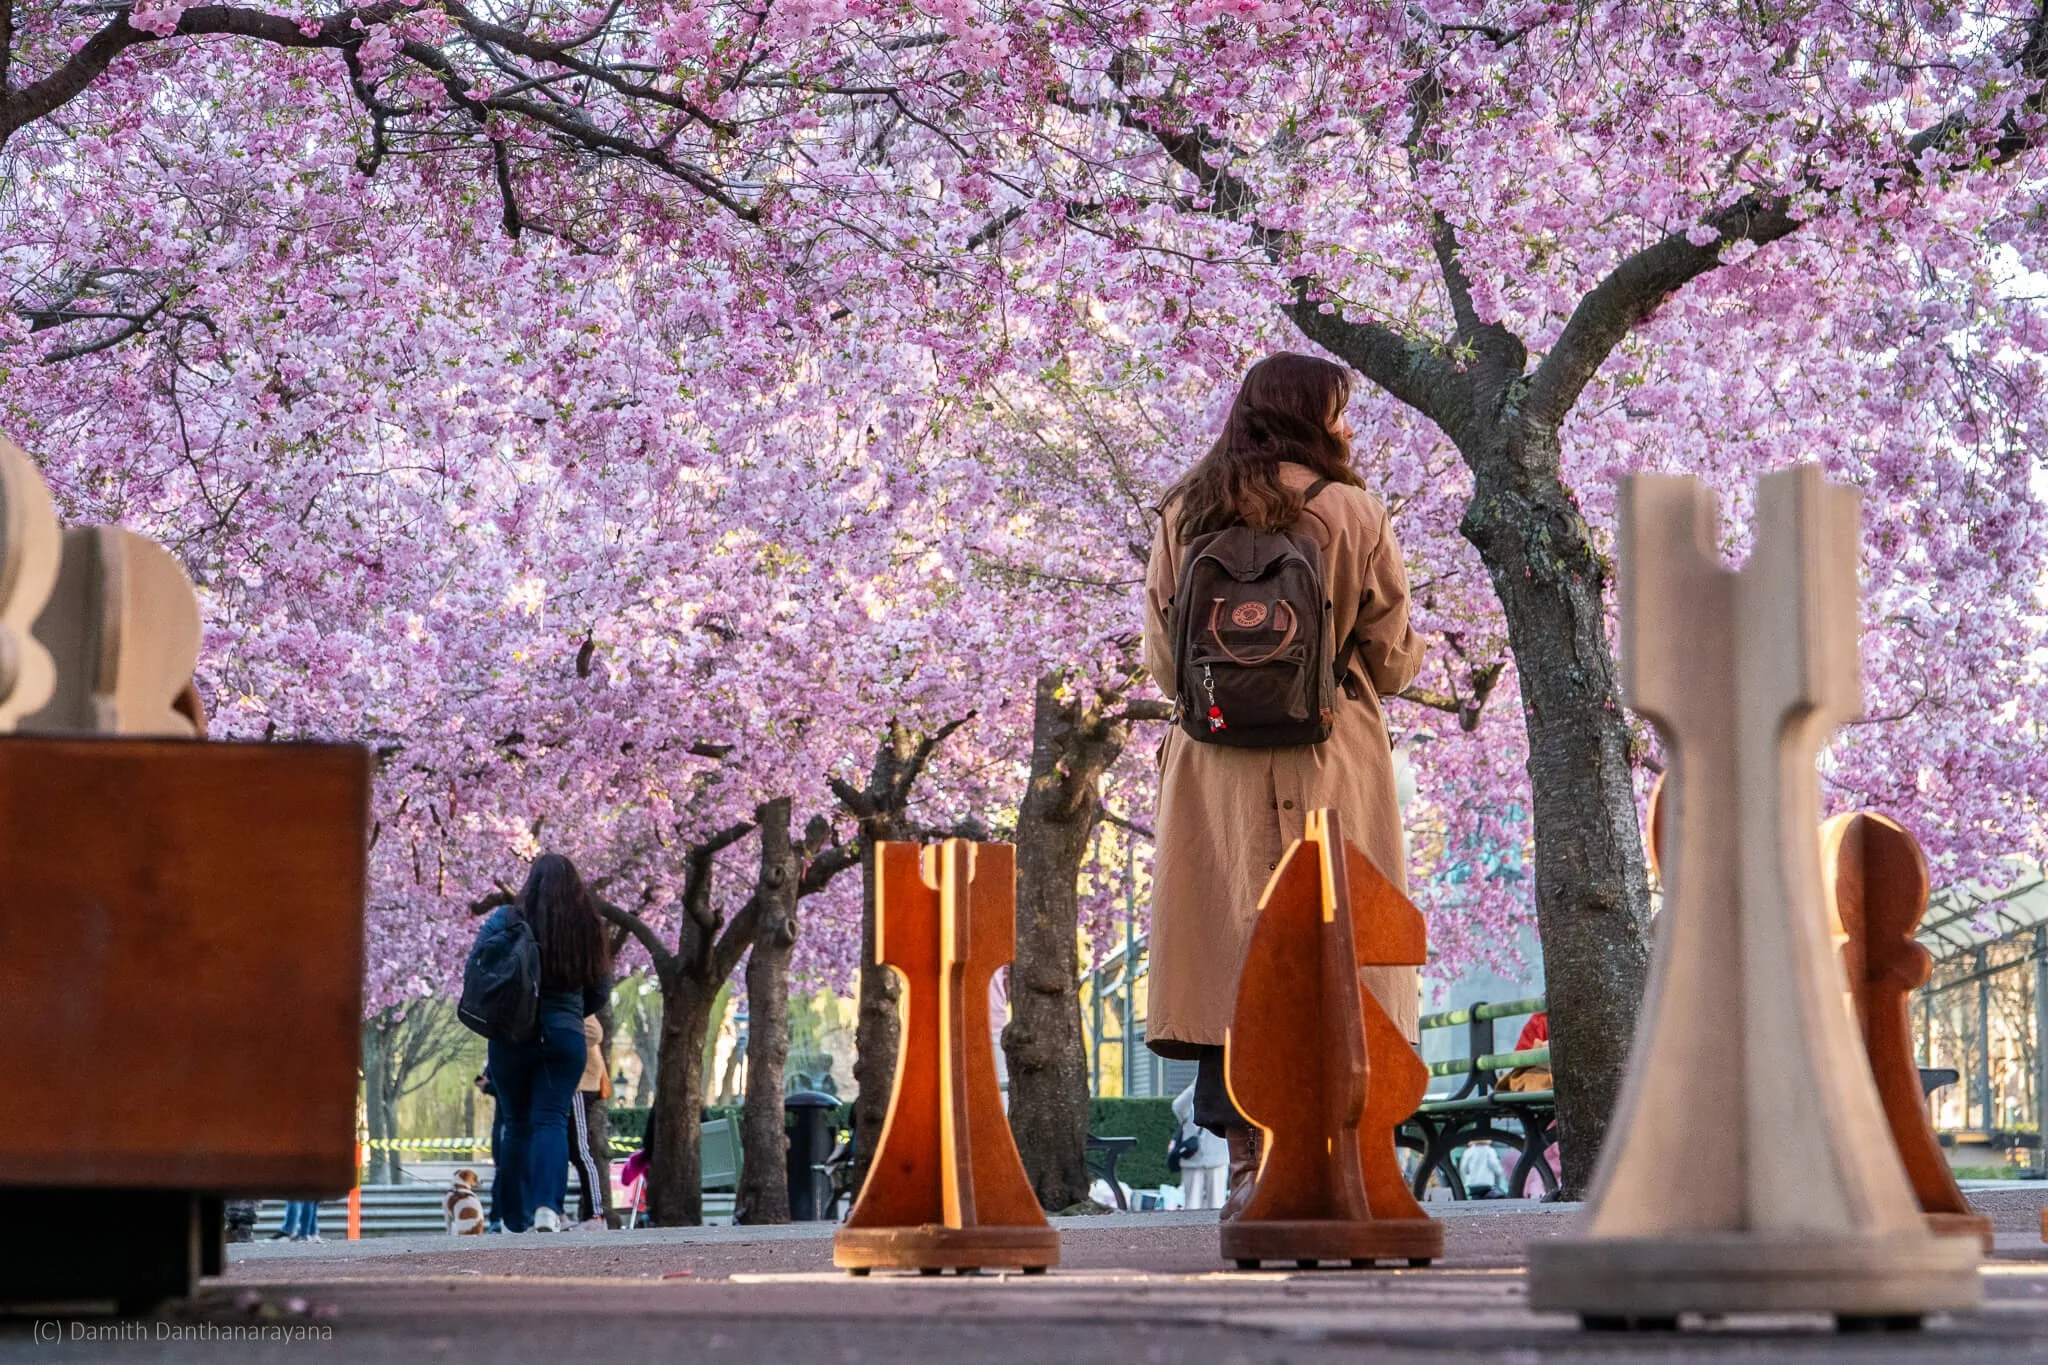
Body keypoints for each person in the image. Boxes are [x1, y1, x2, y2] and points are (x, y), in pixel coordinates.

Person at [1142, 353, 1426, 1220]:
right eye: (1339, 412)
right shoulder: (1354, 511)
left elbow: (1162, 663)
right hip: (1329, 759)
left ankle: (1243, 1165)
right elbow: (1395, 658)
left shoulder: (1185, 511)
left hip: (1213, 766)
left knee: (1231, 958)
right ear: (1313, 418)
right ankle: (1338, 1154)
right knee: (1334, 947)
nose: (1348, 426)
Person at [485, 853, 611, 1233]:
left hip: (512, 1034)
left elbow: (479, 970)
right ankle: (546, 1209)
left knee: (516, 1124)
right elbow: (599, 991)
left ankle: (513, 1217)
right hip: (565, 1034)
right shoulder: (589, 926)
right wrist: (569, 1013)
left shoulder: (506, 921)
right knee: (551, 1120)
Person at [569, 1013, 614, 1228]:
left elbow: (595, 1033)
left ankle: (596, 1213)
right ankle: (592, 1212)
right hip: (575, 1080)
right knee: (574, 1149)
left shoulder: (579, 1000)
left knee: (581, 1150)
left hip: (581, 1083)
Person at [1170, 1080, 1230, 1211]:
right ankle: (1191, 1231)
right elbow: (1177, 1107)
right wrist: (1197, 1083)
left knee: (1216, 1206)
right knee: (1192, 1206)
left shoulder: (1226, 1096)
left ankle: (1215, 1231)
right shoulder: (1191, 1103)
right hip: (1193, 1159)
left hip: (1217, 1159)